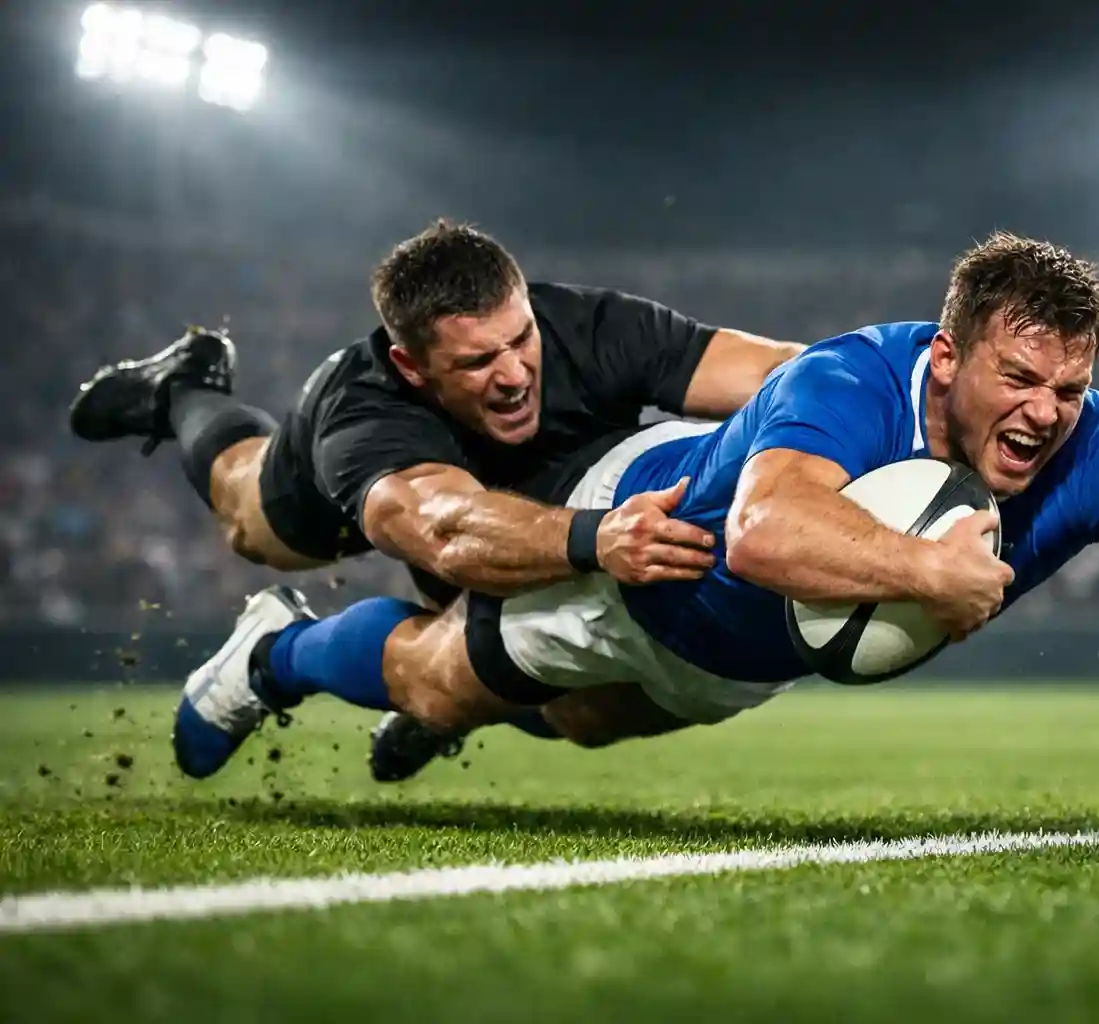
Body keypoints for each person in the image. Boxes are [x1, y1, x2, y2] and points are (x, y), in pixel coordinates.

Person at [171, 231, 1099, 781]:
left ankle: (465, 703)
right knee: (441, 679)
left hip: (740, 658)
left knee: (584, 730)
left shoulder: (1093, 443)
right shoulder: (852, 377)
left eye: (1069, 384)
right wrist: (929, 572)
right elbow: (764, 531)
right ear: (947, 359)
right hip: (655, 546)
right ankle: (274, 651)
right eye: (1019, 375)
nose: (1047, 409)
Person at [67, 219, 800, 772]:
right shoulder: (366, 408)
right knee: (250, 525)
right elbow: (443, 534)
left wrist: (883, 400)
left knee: (588, 715)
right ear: (412, 367)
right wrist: (596, 538)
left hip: (531, 499)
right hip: (411, 500)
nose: (513, 373)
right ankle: (184, 389)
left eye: (520, 340)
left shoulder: (597, 327)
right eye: (478, 361)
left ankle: (447, 699)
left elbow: (786, 373)